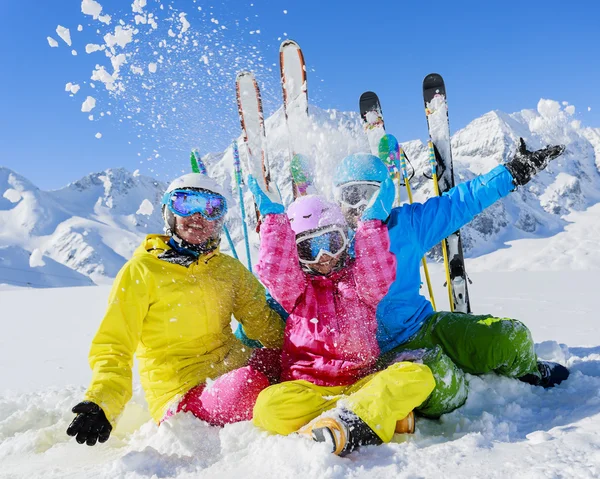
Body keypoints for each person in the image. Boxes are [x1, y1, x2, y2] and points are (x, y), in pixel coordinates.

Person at [331, 138, 569, 420]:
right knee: (442, 383)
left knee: (511, 337)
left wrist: (512, 171)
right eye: (350, 195)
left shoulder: (406, 225)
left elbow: (460, 202)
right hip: (382, 355)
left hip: (426, 326)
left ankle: (526, 370)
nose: (358, 205)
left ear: (383, 194)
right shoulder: (330, 246)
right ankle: (419, 391)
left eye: (366, 195)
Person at [66, 173, 285, 446]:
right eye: (185, 203)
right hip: (181, 392)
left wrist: (308, 340)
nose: (197, 216)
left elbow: (262, 321)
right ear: (168, 212)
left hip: (234, 366)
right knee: (248, 385)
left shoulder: (227, 270)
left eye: (211, 209)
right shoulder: (142, 271)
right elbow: (114, 345)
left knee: (293, 363)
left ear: (219, 220)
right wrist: (102, 401)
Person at [246, 175, 436, 456]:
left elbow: (379, 271)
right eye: (310, 248)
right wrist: (274, 220)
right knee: (267, 406)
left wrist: (371, 227)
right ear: (296, 253)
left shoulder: (360, 284)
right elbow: (275, 271)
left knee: (418, 375)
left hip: (361, 381)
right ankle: (372, 415)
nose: (323, 255)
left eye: (331, 242)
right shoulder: (296, 291)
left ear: (344, 240)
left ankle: (340, 423)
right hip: (308, 389)